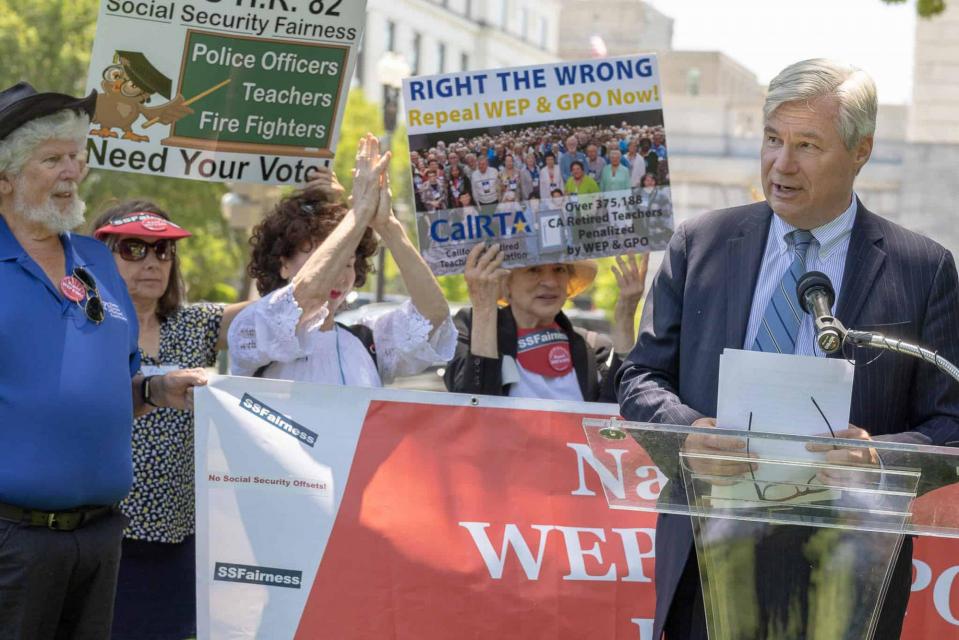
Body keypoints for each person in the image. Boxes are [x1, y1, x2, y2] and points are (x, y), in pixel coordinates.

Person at [616, 59, 959, 640]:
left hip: (848, 569)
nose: (782, 164)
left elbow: (950, 420)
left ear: (861, 151)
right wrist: (688, 433)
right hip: (709, 556)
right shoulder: (701, 245)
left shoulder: (923, 270)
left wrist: (881, 460)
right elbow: (640, 379)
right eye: (773, 139)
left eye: (807, 145)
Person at [0, 81, 204, 639]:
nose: (74, 170)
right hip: (12, 540)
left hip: (101, 537)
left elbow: (117, 384)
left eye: (77, 156)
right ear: (4, 178)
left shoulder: (94, 259)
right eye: (53, 159)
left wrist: (156, 392)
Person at [90, 200, 250, 640]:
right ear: (98, 255)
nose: (152, 262)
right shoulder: (80, 323)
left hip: (177, 544)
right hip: (96, 539)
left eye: (163, 251)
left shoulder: (196, 323)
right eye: (134, 249)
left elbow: (288, 308)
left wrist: (353, 214)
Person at [229, 134, 455, 386]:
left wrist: (387, 225)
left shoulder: (368, 339)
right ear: (283, 264)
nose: (338, 274)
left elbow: (434, 314)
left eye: (348, 263)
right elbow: (309, 295)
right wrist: (359, 213)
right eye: (324, 258)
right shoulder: (253, 328)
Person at [446, 243, 647, 401]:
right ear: (505, 282)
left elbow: (612, 421)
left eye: (559, 269)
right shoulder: (472, 326)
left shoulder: (592, 347)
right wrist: (484, 307)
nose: (550, 282)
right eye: (534, 269)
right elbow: (472, 408)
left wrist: (625, 319)